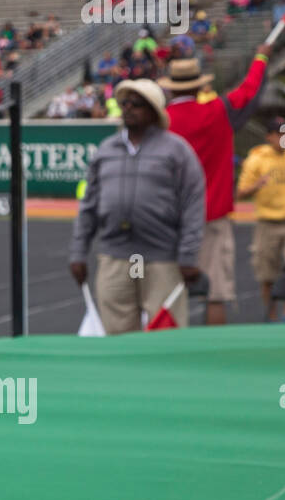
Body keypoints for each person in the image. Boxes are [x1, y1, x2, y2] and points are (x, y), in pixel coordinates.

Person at [70, 79, 205, 334]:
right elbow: (88, 206)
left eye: (137, 104)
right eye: (125, 103)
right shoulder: (106, 150)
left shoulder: (176, 151)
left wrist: (188, 255)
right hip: (114, 256)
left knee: (165, 338)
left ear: (154, 111)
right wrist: (78, 252)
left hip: (161, 257)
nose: (128, 109)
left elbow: (193, 205)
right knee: (117, 336)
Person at [161, 46, 271, 324]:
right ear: (199, 87)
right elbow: (250, 91)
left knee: (167, 295)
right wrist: (260, 58)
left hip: (169, 219)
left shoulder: (160, 121)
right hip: (212, 215)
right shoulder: (218, 110)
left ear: (171, 90)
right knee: (217, 293)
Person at [236, 116, 285, 321]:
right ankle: (271, 317)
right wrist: (257, 185)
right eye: (280, 134)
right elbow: (240, 192)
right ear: (269, 137)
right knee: (267, 275)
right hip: (267, 223)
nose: (284, 138)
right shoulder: (257, 159)